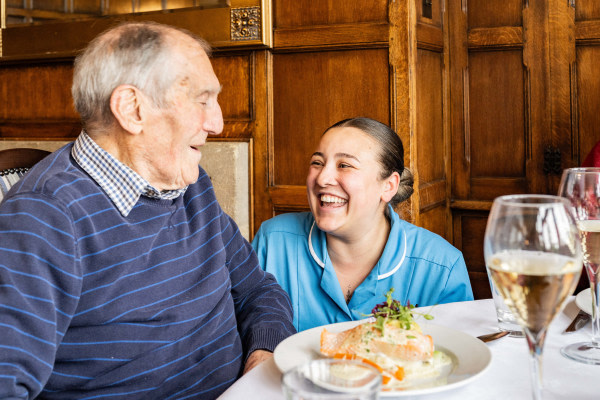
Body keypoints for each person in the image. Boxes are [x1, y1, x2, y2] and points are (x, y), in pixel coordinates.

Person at [0, 22, 295, 398]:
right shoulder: (44, 216)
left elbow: (257, 290)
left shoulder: (190, 186)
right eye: (203, 101)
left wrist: (261, 361)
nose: (217, 123)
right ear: (132, 109)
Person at [252, 117, 473, 331]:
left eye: (345, 165)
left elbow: (457, 358)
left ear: (388, 186)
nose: (322, 178)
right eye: (317, 163)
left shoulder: (442, 267)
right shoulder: (272, 242)